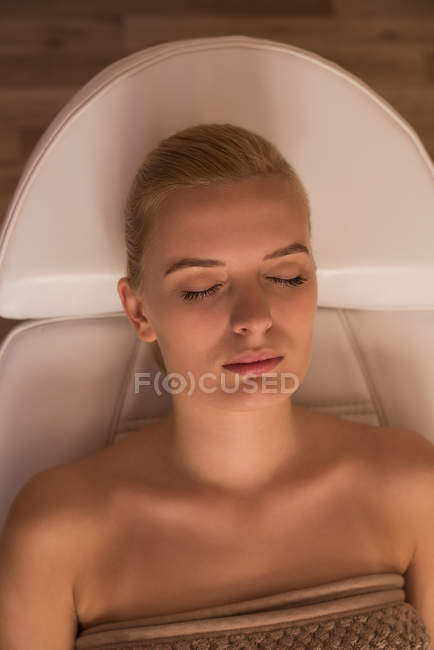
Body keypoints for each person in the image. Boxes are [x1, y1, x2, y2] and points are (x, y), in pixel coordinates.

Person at [0, 123, 432, 649]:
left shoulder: (413, 487)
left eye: (287, 277)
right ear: (139, 311)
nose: (254, 317)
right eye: (203, 287)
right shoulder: (60, 530)